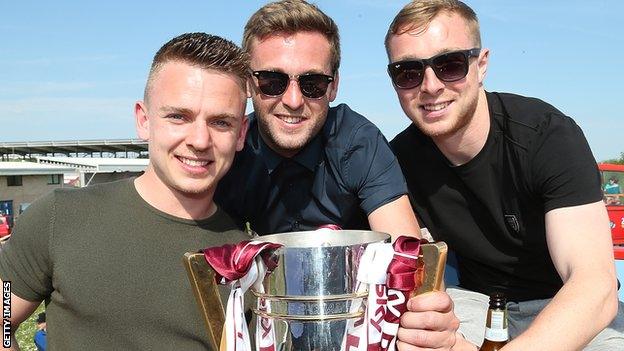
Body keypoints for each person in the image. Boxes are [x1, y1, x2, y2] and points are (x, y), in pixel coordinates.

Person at [386, 1, 623, 350]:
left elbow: (594, 284)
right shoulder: (398, 160)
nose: (430, 86)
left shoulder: (546, 136)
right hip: (473, 302)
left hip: (561, 304)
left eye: (449, 65)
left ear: (481, 65)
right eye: (408, 72)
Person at [0, 32, 251, 350]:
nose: (199, 140)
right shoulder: (59, 217)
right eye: (178, 117)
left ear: (241, 134)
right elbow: (2, 318)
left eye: (220, 123)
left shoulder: (246, 261)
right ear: (144, 121)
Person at [215, 0, 420, 240]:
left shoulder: (357, 142)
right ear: (249, 83)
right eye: (272, 81)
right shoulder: (231, 151)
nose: (293, 100)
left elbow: (405, 253)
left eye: (312, 84)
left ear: (333, 87)